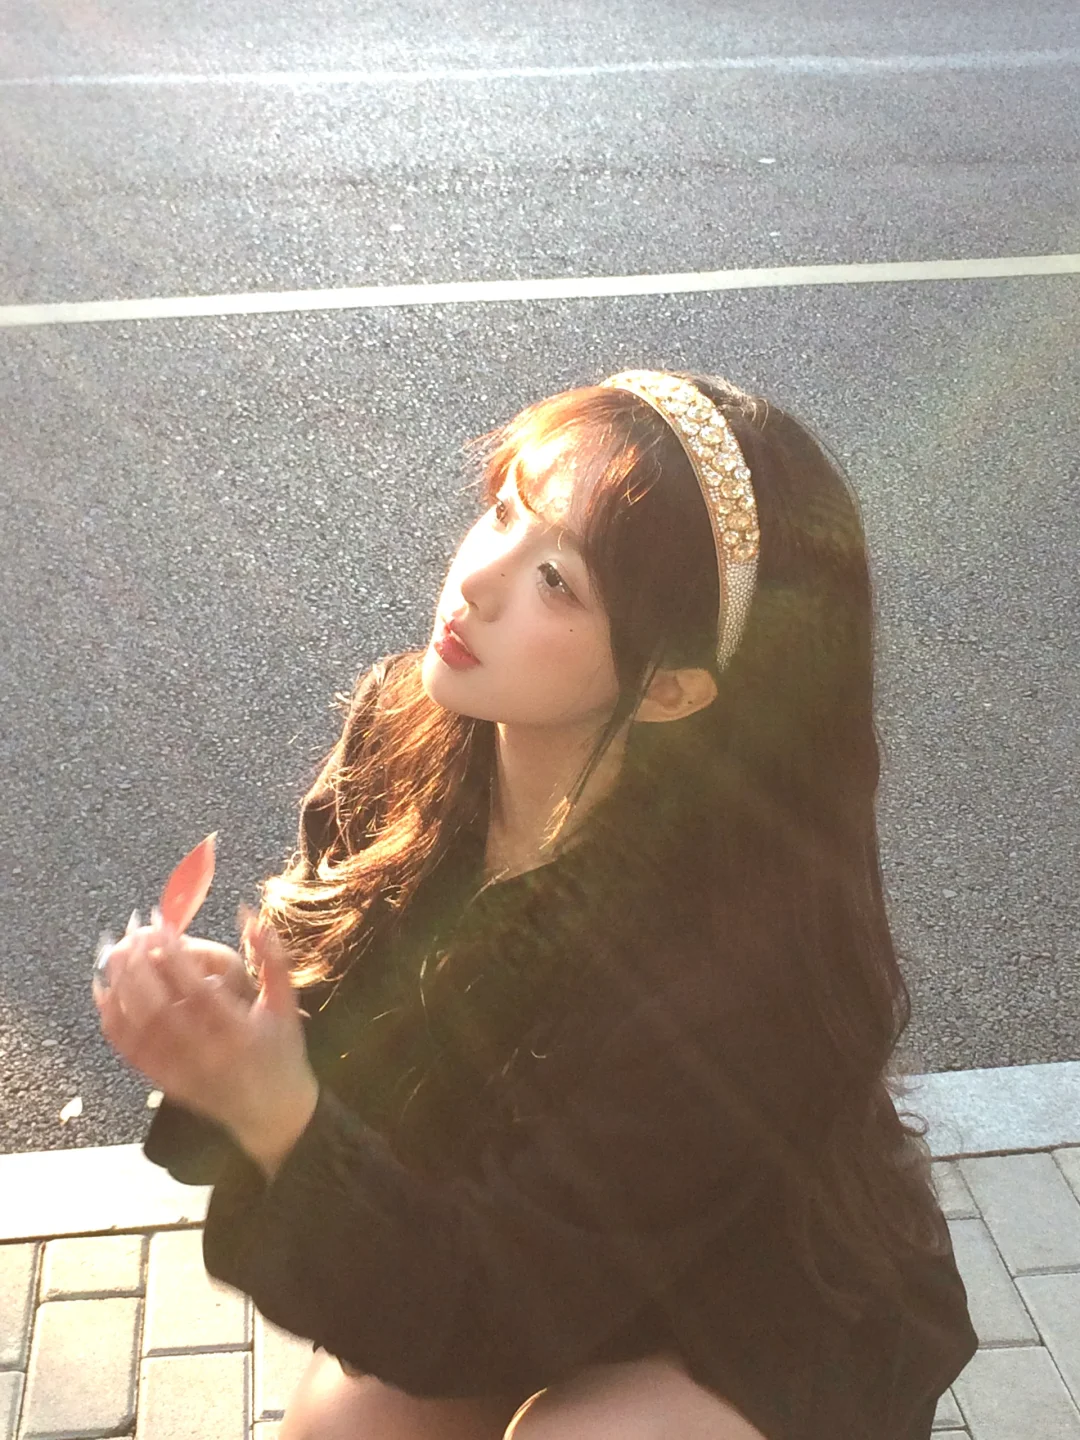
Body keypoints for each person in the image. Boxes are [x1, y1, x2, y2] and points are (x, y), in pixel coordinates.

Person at [94, 370, 978, 1440]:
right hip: (515, 1238)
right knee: (342, 1430)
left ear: (671, 690)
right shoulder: (405, 730)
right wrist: (242, 1036)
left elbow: (488, 1309)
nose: (478, 580)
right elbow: (376, 1070)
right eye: (506, 510)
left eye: (558, 580)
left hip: (755, 1294)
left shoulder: (739, 962)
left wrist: (278, 1110)